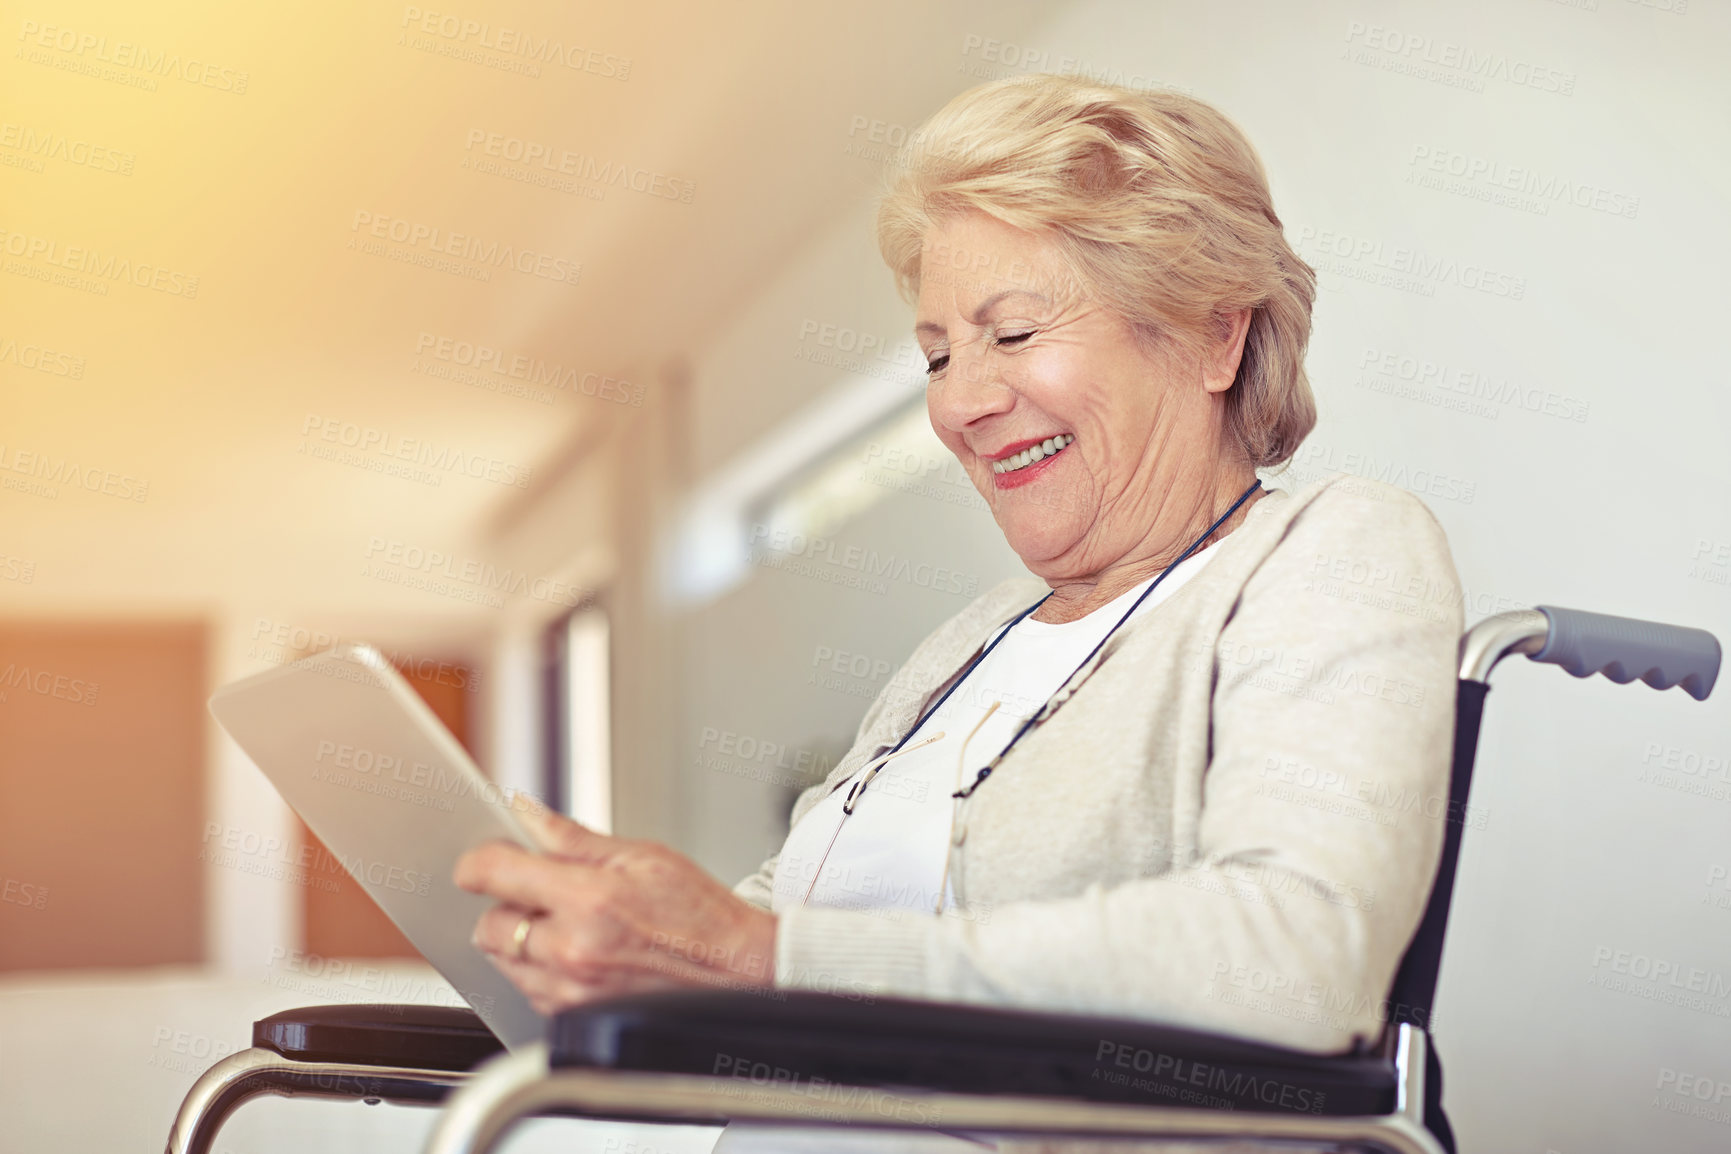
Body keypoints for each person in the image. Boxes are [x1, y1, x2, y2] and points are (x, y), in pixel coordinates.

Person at [455, 73, 1463, 1151]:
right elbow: (773, 912)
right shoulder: (969, 643)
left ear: (1216, 334)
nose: (959, 403)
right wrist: (617, 930)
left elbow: (1296, 956)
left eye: (1015, 334)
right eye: (939, 354)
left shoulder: (1330, 548)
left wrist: (763, 956)